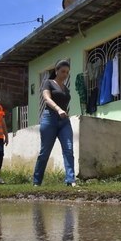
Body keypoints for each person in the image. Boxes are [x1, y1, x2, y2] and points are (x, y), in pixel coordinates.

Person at [33, 59, 76, 187]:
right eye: (62, 71)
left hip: (64, 121)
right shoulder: (48, 83)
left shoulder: (66, 89)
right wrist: (58, 109)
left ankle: (71, 180)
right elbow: (46, 99)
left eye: (67, 72)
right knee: (45, 152)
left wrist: (63, 112)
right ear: (56, 71)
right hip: (49, 119)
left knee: (68, 149)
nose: (65, 74)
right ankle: (37, 181)